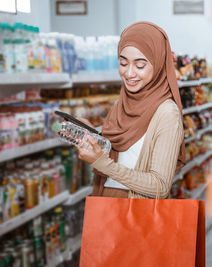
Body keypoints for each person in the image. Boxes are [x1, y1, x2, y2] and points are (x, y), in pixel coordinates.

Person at [78, 21, 185, 199]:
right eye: (123, 63)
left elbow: (160, 186)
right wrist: (93, 138)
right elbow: (123, 155)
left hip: (138, 214)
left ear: (158, 64)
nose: (129, 73)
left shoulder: (167, 113)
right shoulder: (121, 104)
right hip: (106, 205)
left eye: (140, 65)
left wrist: (103, 164)